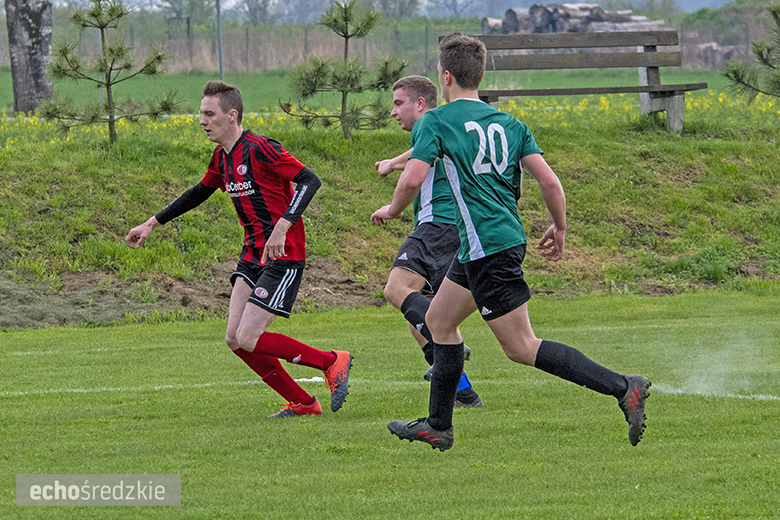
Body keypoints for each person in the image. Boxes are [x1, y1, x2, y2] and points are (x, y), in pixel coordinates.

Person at [373, 34, 650, 451]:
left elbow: (412, 178)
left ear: (445, 76)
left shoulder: (437, 121)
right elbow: (550, 181)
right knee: (439, 323)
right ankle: (438, 425)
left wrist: (393, 210)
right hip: (486, 242)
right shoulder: (510, 124)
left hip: (487, 247)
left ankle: (623, 387)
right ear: (481, 75)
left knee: (521, 347)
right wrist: (559, 227)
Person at [125, 80, 352, 418]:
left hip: (282, 254)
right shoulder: (222, 158)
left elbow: (310, 180)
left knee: (249, 336)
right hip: (251, 255)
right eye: (201, 114)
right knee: (235, 339)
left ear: (231, 116)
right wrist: (151, 223)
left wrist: (284, 224)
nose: (202, 121)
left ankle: (331, 361)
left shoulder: (260, 148)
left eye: (209, 114)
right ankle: (304, 403)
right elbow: (198, 193)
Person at [373, 75, 482, 408]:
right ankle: (464, 394)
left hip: (438, 225)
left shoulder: (429, 124)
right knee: (418, 320)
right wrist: (393, 162)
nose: (393, 112)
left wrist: (393, 210)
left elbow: (414, 177)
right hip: (459, 229)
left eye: (398, 103)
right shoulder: (441, 128)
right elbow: (420, 153)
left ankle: (446, 348)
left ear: (420, 104)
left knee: (396, 289)